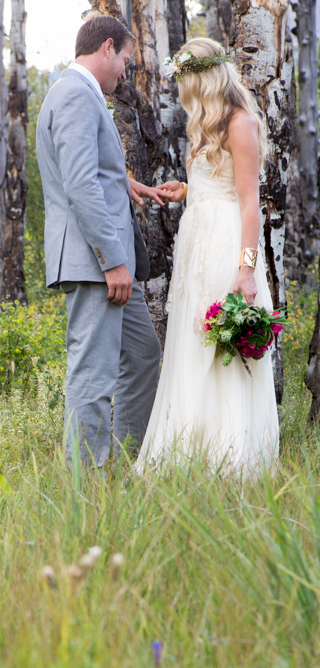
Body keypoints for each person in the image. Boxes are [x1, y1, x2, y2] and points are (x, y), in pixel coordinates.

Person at [137, 38, 279, 474]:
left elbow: (249, 203)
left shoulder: (239, 123)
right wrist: (187, 189)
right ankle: (189, 460)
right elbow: (214, 184)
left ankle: (232, 463)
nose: (183, 93)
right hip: (196, 245)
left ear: (204, 79)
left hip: (225, 247)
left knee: (221, 351)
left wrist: (246, 271)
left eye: (186, 82)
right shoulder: (206, 126)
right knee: (192, 346)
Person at [36, 14, 165, 465]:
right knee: (93, 372)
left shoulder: (83, 93)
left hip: (105, 262)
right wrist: (113, 259)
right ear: (107, 47)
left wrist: (127, 184)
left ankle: (126, 465)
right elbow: (79, 184)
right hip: (96, 263)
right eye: (126, 60)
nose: (126, 71)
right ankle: (84, 486)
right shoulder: (74, 93)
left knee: (144, 355)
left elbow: (93, 172)